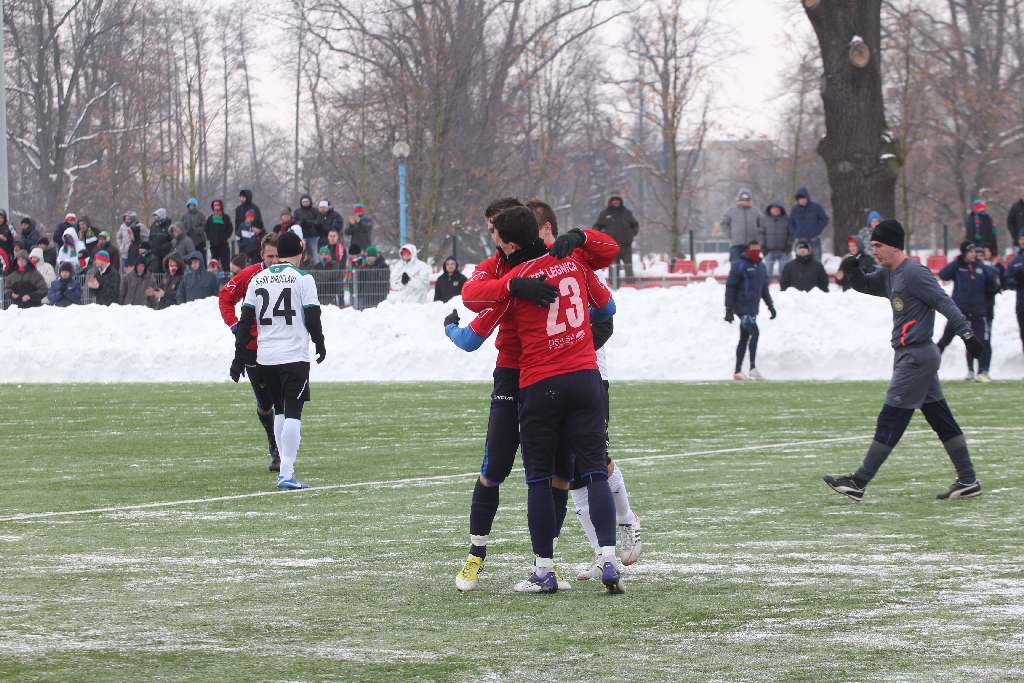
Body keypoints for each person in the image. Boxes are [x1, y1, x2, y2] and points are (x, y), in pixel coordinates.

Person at [445, 206, 622, 594]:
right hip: (558, 376)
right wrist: (512, 287)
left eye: (492, 230)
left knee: (550, 477)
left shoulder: (523, 268)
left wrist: (453, 328)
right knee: (498, 467)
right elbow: (607, 307)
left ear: (507, 237)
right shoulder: (514, 268)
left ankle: (545, 565)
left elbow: (473, 329)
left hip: (538, 379)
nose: (490, 237)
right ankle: (478, 554)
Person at [825, 219, 985, 501]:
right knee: (941, 419)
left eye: (878, 245)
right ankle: (968, 480)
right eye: (872, 245)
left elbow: (943, 301)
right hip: (909, 356)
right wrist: (853, 272)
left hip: (916, 357)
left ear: (894, 246)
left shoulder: (914, 273)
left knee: (892, 417)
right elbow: (866, 284)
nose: (874, 251)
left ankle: (859, 481)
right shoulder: (890, 274)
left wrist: (968, 334)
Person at [529, 198, 642, 581]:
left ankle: (627, 520)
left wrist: (572, 349)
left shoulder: (576, 257)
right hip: (552, 378)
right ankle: (600, 551)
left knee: (594, 458)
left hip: (588, 374)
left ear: (547, 230)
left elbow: (606, 317)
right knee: (568, 468)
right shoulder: (528, 267)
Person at [231, 231, 326, 490]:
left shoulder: (257, 279)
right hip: (294, 356)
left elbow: (246, 321)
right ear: (299, 253)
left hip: (266, 357)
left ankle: (284, 469)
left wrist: (239, 357)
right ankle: (286, 473)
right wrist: (320, 341)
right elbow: (313, 316)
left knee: (280, 411)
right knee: (293, 412)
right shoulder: (303, 278)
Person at [220, 233, 282, 471]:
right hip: (254, 348)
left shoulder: (290, 277)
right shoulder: (249, 275)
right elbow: (226, 297)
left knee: (284, 400)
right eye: (270, 256)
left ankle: (280, 451)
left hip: (282, 346)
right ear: (262, 256)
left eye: (278, 256)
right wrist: (234, 324)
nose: (274, 261)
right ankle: (272, 439)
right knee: (265, 403)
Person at [936, 243, 999, 382]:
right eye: (970, 251)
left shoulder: (980, 267)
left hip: (978, 312)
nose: (973, 254)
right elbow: (943, 274)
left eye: (974, 251)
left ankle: (982, 372)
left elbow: (993, 283)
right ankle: (927, 368)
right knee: (945, 340)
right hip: (959, 313)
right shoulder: (958, 266)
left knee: (980, 341)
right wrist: (957, 262)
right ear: (964, 253)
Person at [725, 240, 776, 380]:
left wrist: (770, 305)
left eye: (758, 249)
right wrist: (729, 309)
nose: (756, 251)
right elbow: (730, 287)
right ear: (747, 250)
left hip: (753, 308)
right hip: (741, 307)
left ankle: (737, 371)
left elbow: (764, 289)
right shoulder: (739, 265)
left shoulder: (762, 267)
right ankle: (752, 368)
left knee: (744, 337)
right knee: (755, 332)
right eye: (753, 249)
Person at [592, 194, 639, 283]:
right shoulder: (605, 213)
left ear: (620, 201)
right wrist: (601, 237)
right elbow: (597, 226)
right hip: (611, 246)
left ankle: (630, 286)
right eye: (613, 200)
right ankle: (614, 286)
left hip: (626, 245)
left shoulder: (627, 212)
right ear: (610, 201)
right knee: (613, 267)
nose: (615, 201)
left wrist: (632, 234)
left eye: (617, 200)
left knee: (628, 266)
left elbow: (635, 225)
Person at [789, 187, 829, 261]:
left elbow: (824, 219)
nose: (802, 200)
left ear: (807, 198)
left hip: (814, 239)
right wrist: (795, 233)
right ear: (797, 200)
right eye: (800, 199)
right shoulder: (795, 209)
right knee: (801, 262)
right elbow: (790, 223)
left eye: (804, 198)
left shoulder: (816, 207)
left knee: (817, 261)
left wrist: (818, 229)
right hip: (800, 240)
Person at [722, 189, 758, 262]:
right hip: (736, 244)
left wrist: (758, 237)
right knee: (736, 265)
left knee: (753, 267)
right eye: (743, 199)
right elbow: (724, 224)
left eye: (747, 199)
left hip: (753, 245)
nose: (744, 201)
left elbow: (762, 225)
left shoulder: (756, 211)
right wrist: (730, 235)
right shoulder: (731, 211)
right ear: (738, 198)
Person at [758, 202, 792, 278]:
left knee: (784, 273)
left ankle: (784, 288)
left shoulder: (786, 219)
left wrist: (788, 247)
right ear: (770, 210)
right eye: (773, 209)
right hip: (768, 251)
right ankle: (765, 288)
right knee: (767, 273)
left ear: (781, 210)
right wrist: (763, 247)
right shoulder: (764, 220)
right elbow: (760, 234)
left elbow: (791, 234)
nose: (775, 211)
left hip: (783, 251)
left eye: (777, 209)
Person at [1005, 232, 1024, 353]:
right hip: (1022, 303)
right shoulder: (1015, 260)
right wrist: (1013, 281)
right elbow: (1007, 277)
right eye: (1021, 239)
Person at [205, 200, 233, 268]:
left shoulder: (226, 217)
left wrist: (225, 237)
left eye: (218, 205)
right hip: (213, 245)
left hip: (224, 244)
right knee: (214, 264)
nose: (216, 207)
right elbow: (206, 229)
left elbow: (230, 228)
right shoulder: (210, 218)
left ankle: (226, 277)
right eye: (215, 205)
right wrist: (210, 238)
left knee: (225, 263)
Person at [295, 194, 319, 263]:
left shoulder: (314, 210)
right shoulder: (297, 211)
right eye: (304, 202)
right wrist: (301, 222)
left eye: (307, 201)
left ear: (310, 202)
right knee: (300, 251)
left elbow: (318, 221)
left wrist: (309, 222)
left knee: (315, 252)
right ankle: (299, 265)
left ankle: (317, 266)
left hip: (313, 235)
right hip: (302, 236)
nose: (305, 203)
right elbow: (295, 222)